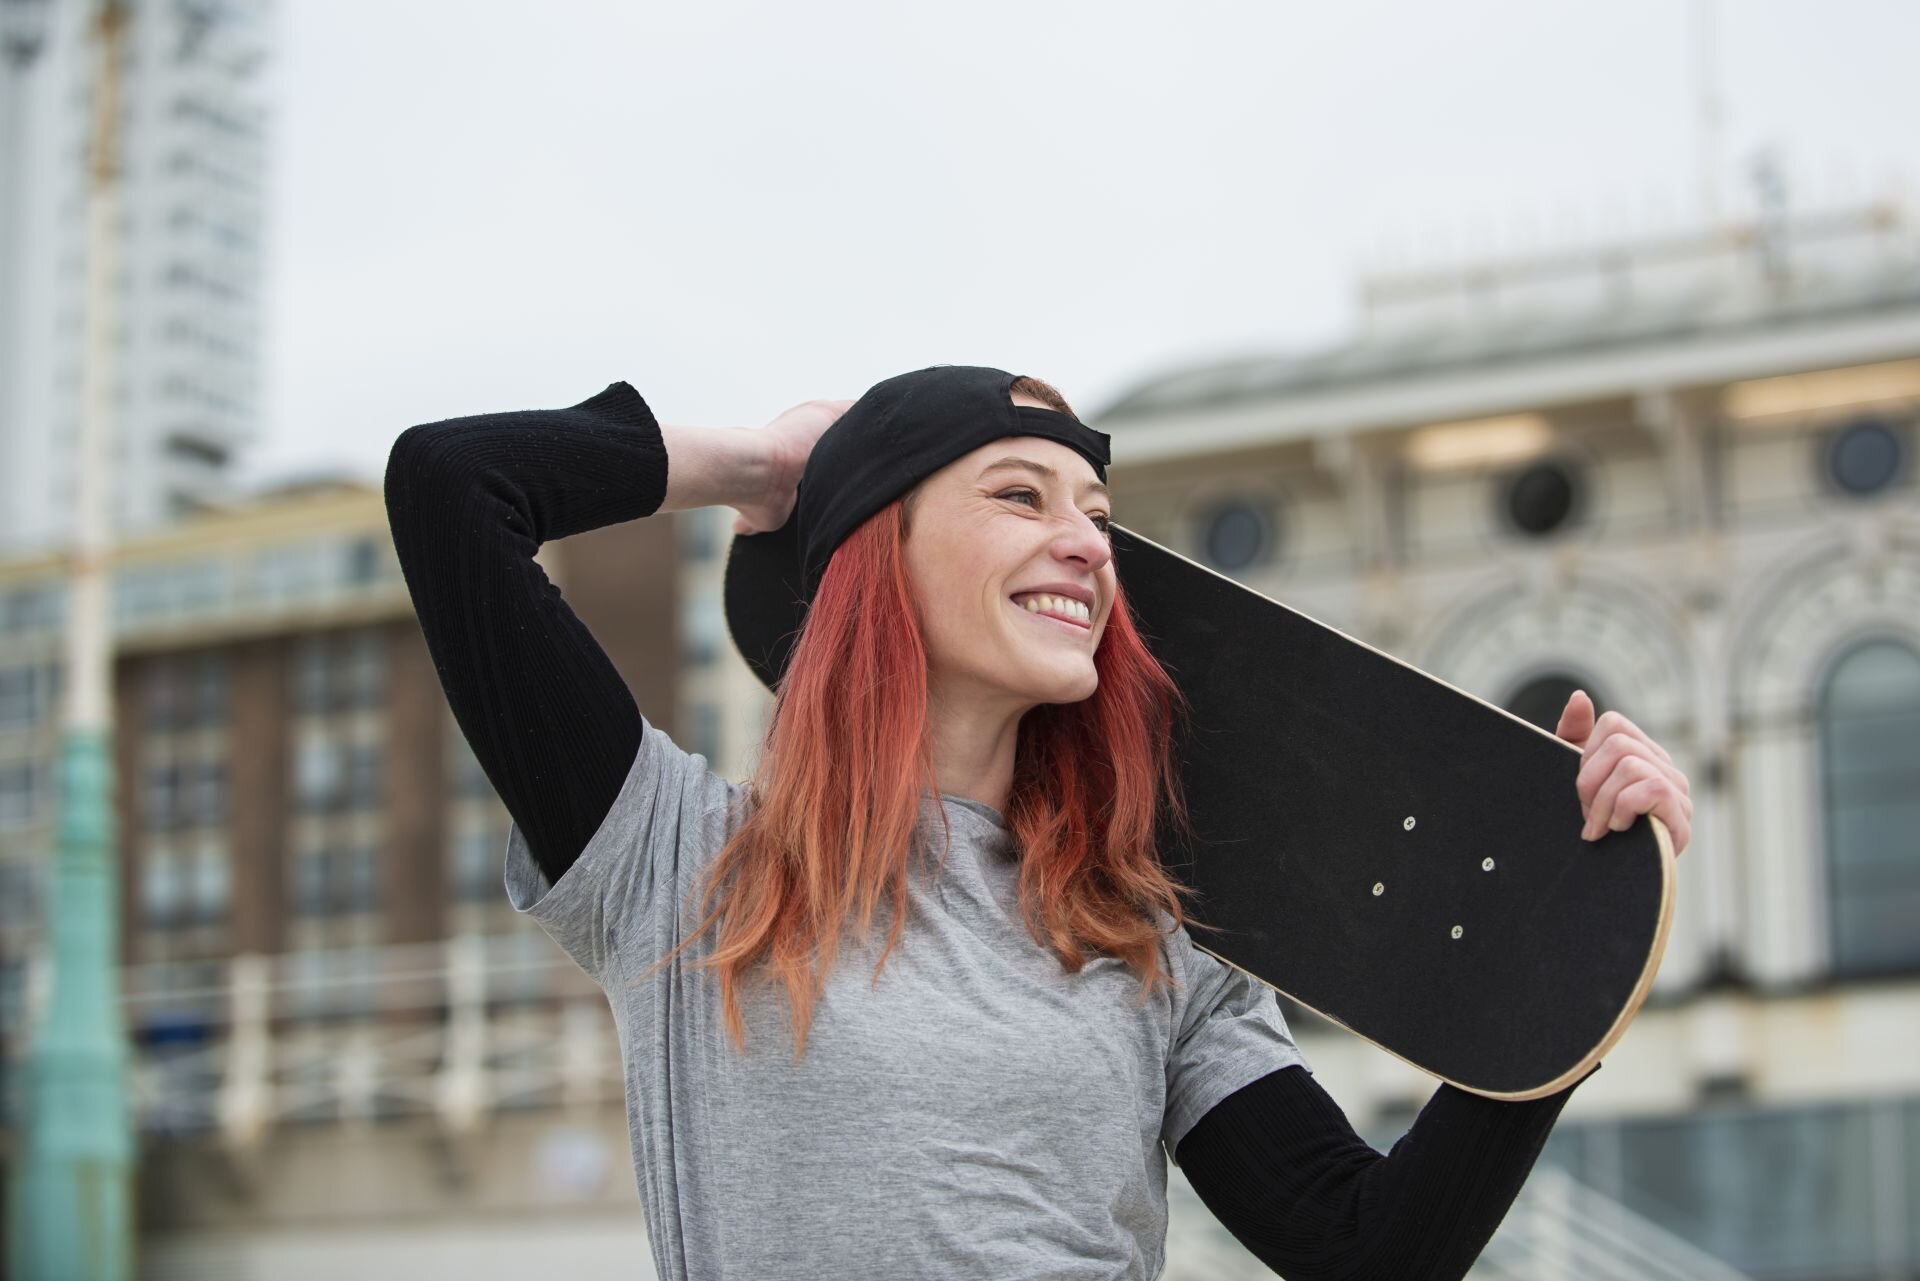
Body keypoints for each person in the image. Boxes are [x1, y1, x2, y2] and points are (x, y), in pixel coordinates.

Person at [383, 368, 1692, 1281]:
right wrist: (769, 466)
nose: (1084, 543)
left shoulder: (1156, 935)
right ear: (876, 552)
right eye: (1020, 496)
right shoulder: (680, 861)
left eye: (1099, 515)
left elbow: (1367, 1250)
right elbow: (450, 486)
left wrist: (1558, 961)